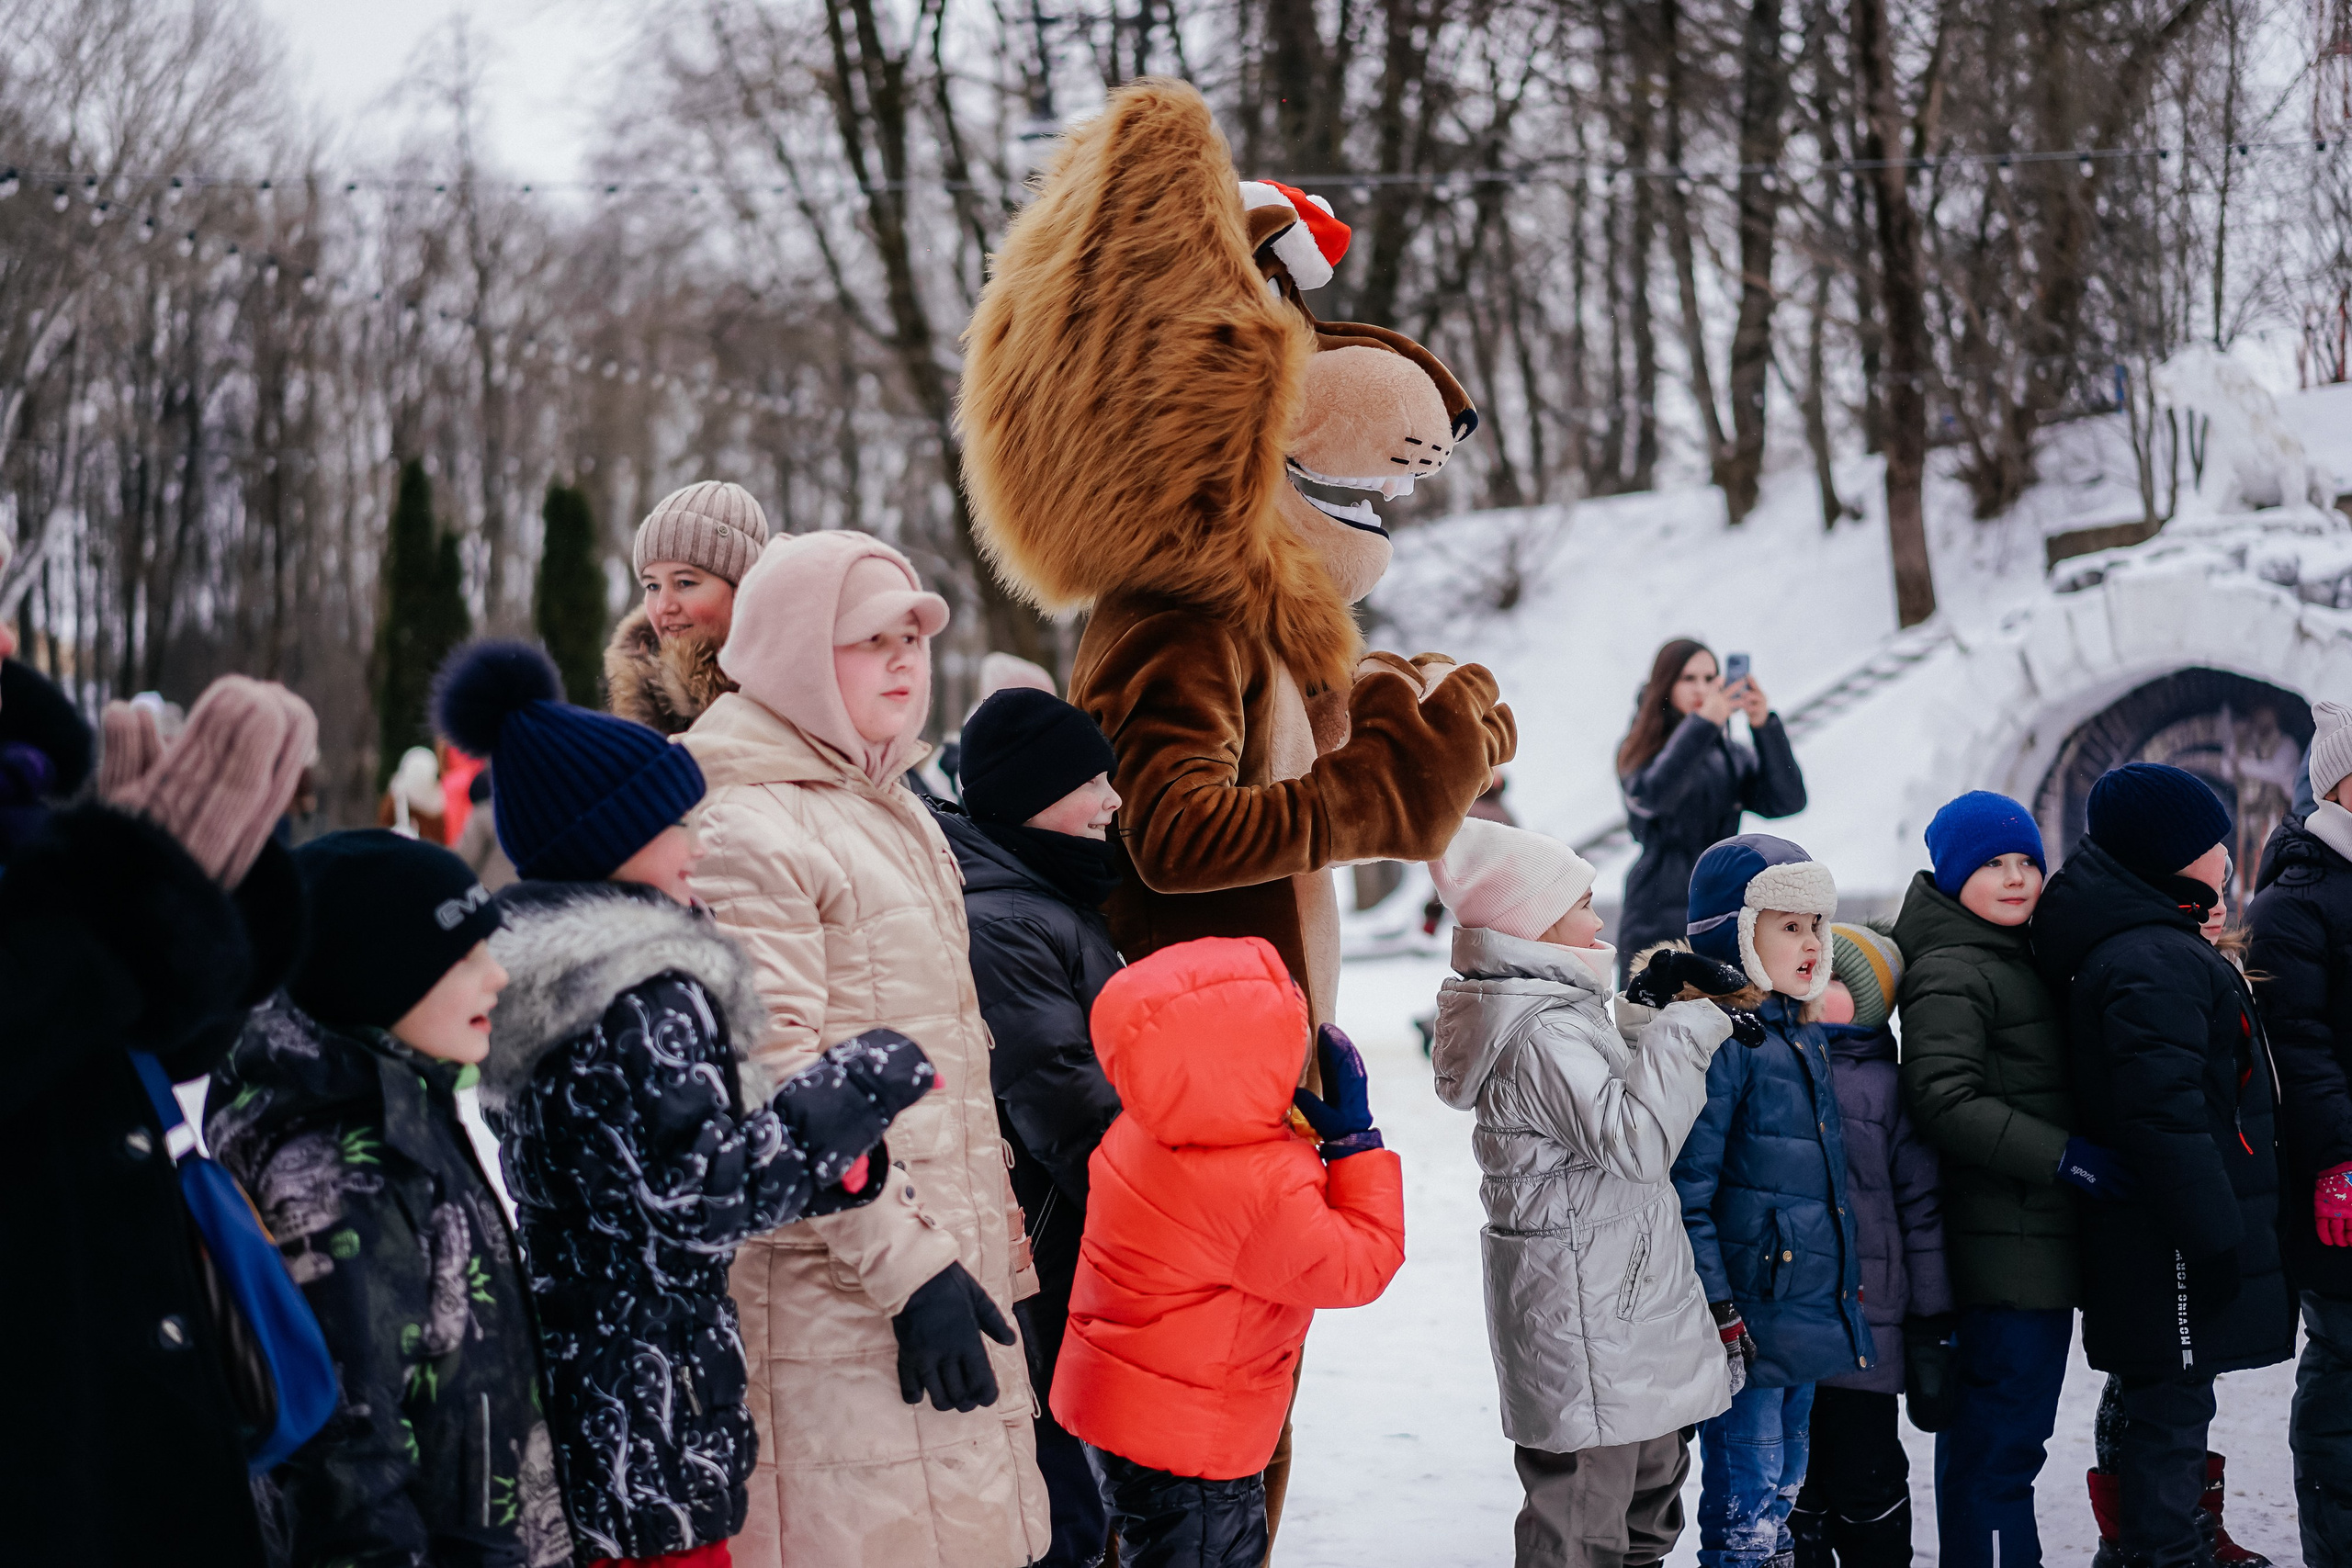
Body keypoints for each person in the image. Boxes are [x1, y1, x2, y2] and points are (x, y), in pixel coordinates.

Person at [424, 640, 934, 1567]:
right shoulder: (634, 994)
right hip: (651, 1402)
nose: (696, 844)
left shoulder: (549, 981)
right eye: (675, 824)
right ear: (610, 842)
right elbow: (694, 1198)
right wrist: (854, 1087)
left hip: (604, 1384)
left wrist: (832, 1164)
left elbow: (652, 1171)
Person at [681, 529, 1050, 1567]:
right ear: (795, 652)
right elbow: (775, 1079)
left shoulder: (889, 805)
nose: (901, 660)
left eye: (911, 636)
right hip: (839, 1305)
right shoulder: (747, 824)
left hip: (938, 1273)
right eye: (866, 640)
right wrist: (913, 1269)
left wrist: (989, 1249)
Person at [1, 675, 313, 1568]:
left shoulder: (29, 788)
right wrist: (119, 899)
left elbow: (129, 1045)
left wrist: (207, 890)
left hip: (110, 1392)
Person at [204, 829, 572, 1568]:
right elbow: (347, 1458)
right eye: (463, 956)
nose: (496, 975)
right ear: (375, 976)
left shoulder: (401, 1101)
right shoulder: (345, 1172)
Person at [1428, 818, 1739, 1568]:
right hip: (1589, 1314)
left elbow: (1606, 1109)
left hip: (1614, 1305)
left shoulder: (1559, 1014)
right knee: (1585, 1524)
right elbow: (1634, 1140)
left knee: (1641, 1507)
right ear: (1532, 923)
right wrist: (1691, 1025)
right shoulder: (1540, 1033)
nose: (1600, 920)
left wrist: (1642, 1017)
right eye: (1584, 903)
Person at [1052, 935, 1406, 1567]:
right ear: (1240, 1060)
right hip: (1194, 1448)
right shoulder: (1257, 1183)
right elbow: (1361, 1265)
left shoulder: (1143, 1127)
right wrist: (1356, 1146)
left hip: (1126, 1414)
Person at [2035, 762, 2295, 1568]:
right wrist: (2214, 1236)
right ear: (2168, 856)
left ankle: (2163, 1543)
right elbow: (2166, 1117)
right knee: (2170, 1409)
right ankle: (2163, 1550)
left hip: (2160, 1230)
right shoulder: (2152, 958)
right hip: (2169, 1236)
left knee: (2162, 1394)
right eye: (2210, 844)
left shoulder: (2156, 941)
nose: (2225, 858)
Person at [928, 685, 1125, 1568]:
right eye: (1093, 782)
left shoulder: (1039, 892)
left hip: (1081, 1238)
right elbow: (1068, 1105)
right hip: (1057, 1249)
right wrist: (1170, 1213)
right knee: (1068, 1511)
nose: (1113, 802)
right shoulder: (1001, 920)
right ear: (1029, 796)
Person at [1667, 834, 1870, 1568]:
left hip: (1802, 1314)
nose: (1814, 942)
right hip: (1746, 1326)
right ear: (1735, 934)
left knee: (1783, 1495)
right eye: (1789, 926)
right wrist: (1720, 1308)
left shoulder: (1798, 1033)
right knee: (1743, 1513)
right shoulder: (1728, 1042)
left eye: (1817, 924)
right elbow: (1688, 1192)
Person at [1891, 791, 2079, 1568]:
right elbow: (1943, 1097)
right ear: (1953, 873)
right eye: (1993, 864)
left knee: (2005, 1452)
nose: (2015, 878)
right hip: (2000, 1256)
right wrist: (2064, 1155)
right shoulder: (1951, 968)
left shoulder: (2009, 953)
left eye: (2028, 862)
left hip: (2030, 1246)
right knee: (1995, 1456)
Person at [1792, 922, 1951, 1568]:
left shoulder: (1888, 1088)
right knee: (1797, 1484)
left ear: (1867, 1000)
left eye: (1831, 977)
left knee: (1868, 1478)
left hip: (1869, 1332)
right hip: (1794, 1327)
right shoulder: (1777, 1062)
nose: (1810, 983)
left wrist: (1932, 1317)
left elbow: (1921, 1211)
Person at [2247, 700, 2352, 1568]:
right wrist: (2339, 1161)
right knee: (2348, 1360)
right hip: (2340, 1182)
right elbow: (2301, 1052)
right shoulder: (2295, 900)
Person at [1616, 640, 1807, 961]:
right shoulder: (1640, 747)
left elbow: (1787, 800)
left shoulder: (1729, 754)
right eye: (1688, 679)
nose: (1701, 689)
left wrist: (1764, 725)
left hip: (1722, 899)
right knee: (1655, 1009)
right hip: (1657, 906)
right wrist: (1703, 724)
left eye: (1710, 678)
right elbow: (1652, 796)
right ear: (1665, 685)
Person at [605, 480, 772, 735]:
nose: (663, 607)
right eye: (652, 586)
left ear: (743, 589)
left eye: (684, 582)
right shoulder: (634, 716)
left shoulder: (792, 707)